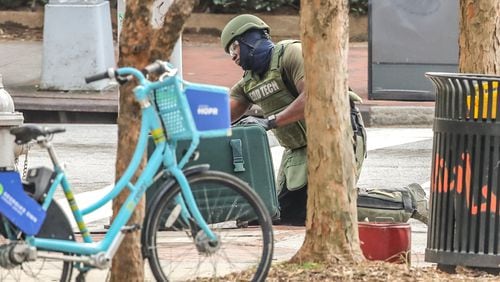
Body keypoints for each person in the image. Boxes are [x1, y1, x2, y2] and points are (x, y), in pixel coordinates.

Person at [220, 14, 428, 226]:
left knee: (327, 205)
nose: (233, 56)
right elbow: (222, 116)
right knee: (281, 214)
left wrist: (271, 121)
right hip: (299, 150)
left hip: (337, 134)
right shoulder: (249, 83)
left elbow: (314, 96)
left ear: (250, 39)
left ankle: (408, 201)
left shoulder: (290, 54)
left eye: (234, 47)